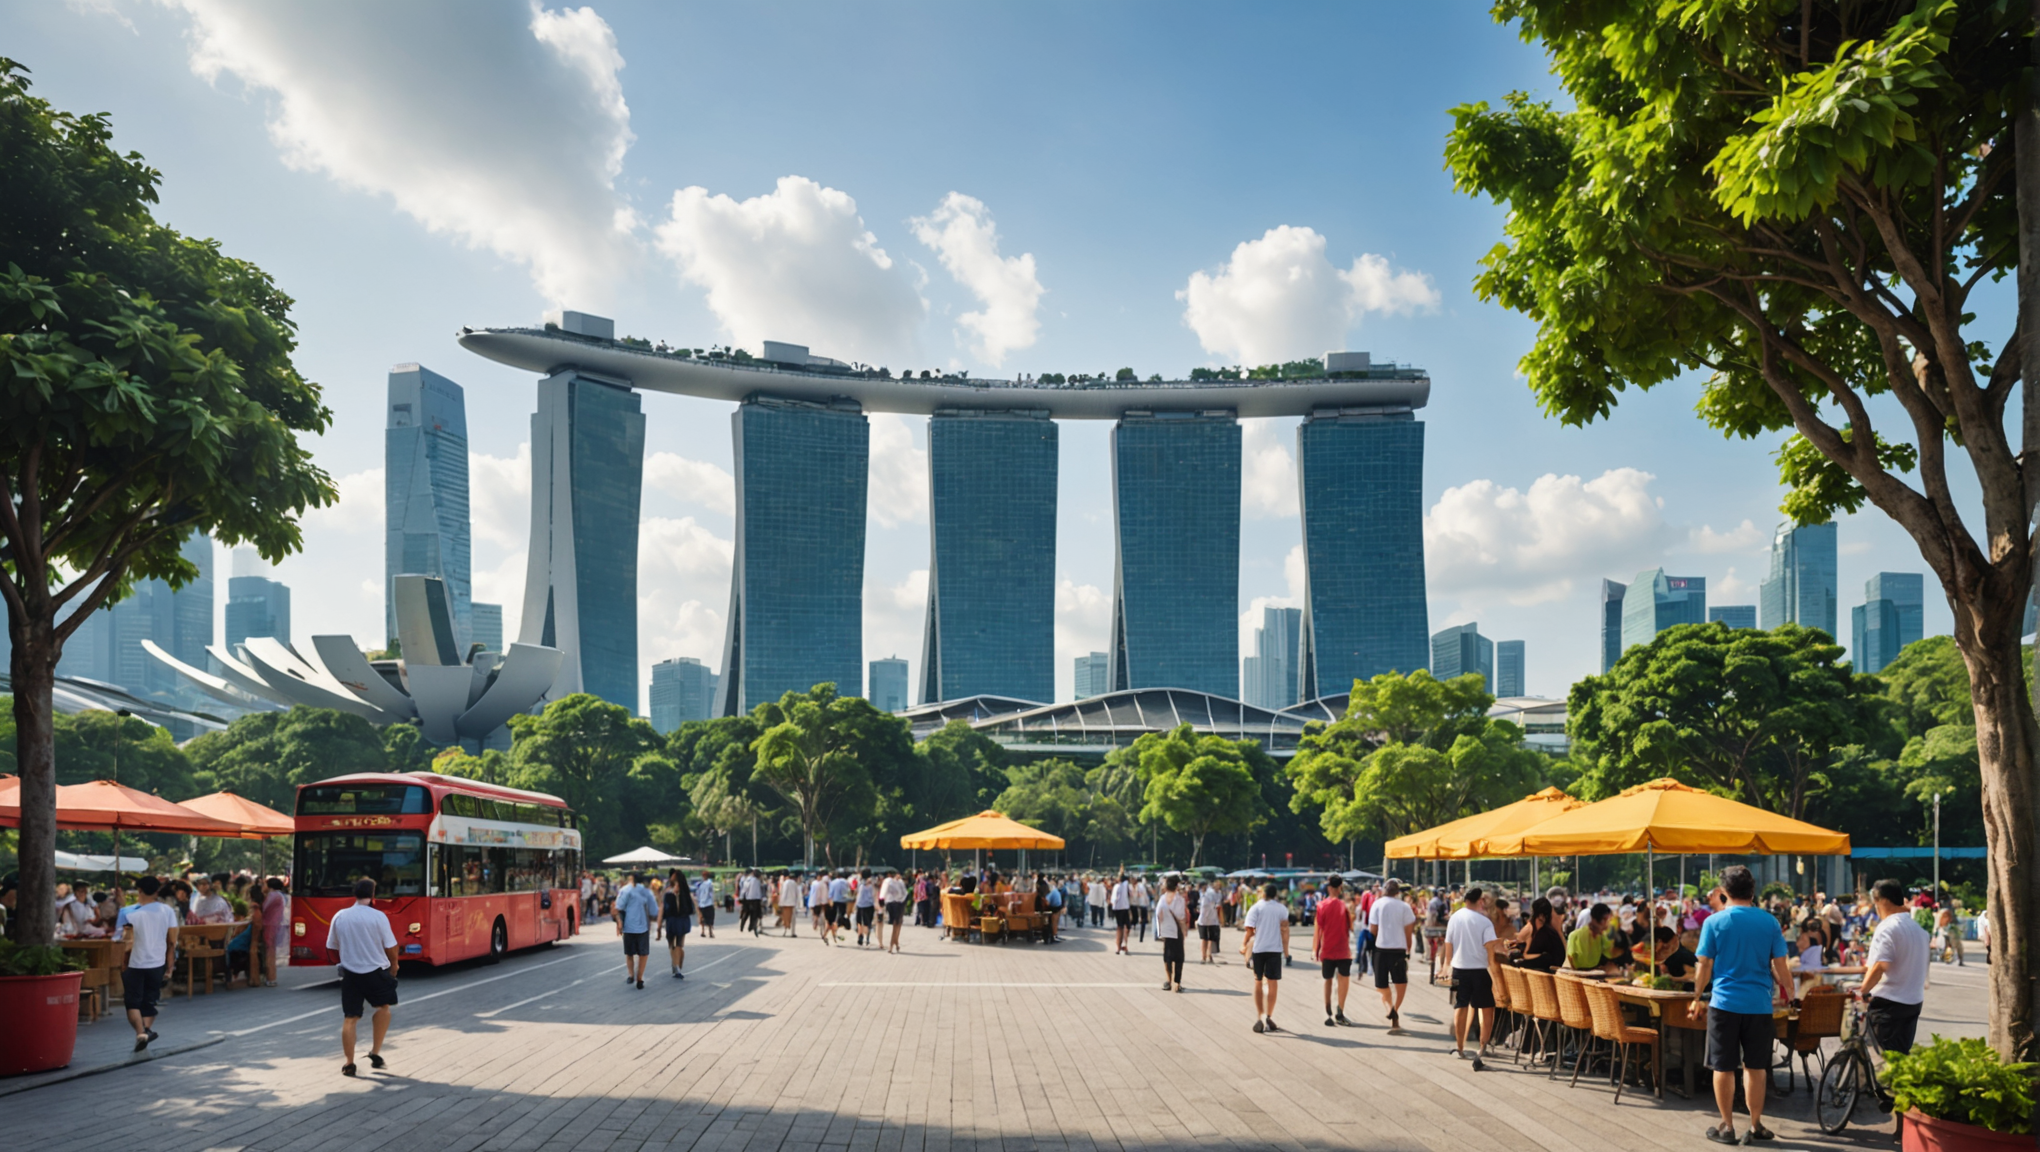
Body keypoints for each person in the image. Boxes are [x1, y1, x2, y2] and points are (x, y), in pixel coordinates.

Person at [1694, 865, 1793, 1145]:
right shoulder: (1770, 922)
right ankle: (1756, 1124)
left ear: (1724, 893)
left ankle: (1726, 1126)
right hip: (1759, 1004)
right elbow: (1781, 966)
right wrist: (1791, 990)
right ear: (1753, 891)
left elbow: (1704, 965)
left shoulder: (1714, 922)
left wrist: (1695, 996)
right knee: (1756, 1067)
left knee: (1723, 1067)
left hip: (1724, 1002)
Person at [328, 877, 400, 1077]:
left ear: (355, 894)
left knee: (350, 1018)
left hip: (351, 974)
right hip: (376, 972)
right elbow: (390, 946)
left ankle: (349, 1063)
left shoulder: (340, 916)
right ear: (373, 894)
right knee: (384, 1008)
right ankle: (375, 1052)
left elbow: (331, 948)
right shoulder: (378, 917)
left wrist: (341, 963)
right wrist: (394, 965)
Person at [1858, 877, 1930, 1070]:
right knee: (1901, 1059)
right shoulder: (1919, 930)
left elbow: (1881, 966)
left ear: (1883, 901)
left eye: (1875, 903)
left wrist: (1863, 990)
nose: (1875, 908)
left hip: (1889, 1003)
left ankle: (1888, 1099)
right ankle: (1900, 1097)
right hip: (1913, 1001)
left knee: (1886, 1062)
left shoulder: (1888, 928)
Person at [1439, 887, 1505, 1069]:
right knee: (1487, 1008)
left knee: (1461, 1005)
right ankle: (1482, 1048)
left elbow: (1448, 943)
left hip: (1459, 968)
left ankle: (1460, 1048)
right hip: (1479, 970)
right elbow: (1490, 949)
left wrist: (1446, 966)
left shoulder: (1455, 917)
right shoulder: (1484, 922)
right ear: (1480, 901)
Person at [121, 875, 179, 1053]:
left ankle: (141, 1033)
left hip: (135, 963)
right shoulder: (167, 911)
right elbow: (172, 942)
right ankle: (145, 1032)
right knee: (149, 1002)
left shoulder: (131, 913)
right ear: (156, 891)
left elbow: (124, 941)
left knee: (132, 1003)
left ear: (139, 891)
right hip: (157, 963)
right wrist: (170, 964)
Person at [1241, 881, 1290, 1034]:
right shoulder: (1282, 909)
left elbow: (1249, 930)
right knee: (1272, 983)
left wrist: (1243, 945)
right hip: (1275, 950)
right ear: (1275, 895)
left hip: (1259, 949)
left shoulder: (1255, 908)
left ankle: (1260, 1016)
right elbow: (1285, 930)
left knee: (1257, 981)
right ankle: (1269, 1016)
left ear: (1263, 893)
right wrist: (1286, 951)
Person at [1368, 879, 1417, 1031]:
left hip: (1381, 948)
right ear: (1398, 892)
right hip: (1398, 949)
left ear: (1384, 890)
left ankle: (1390, 1008)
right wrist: (1408, 947)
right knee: (1401, 983)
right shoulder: (1404, 907)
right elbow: (1409, 931)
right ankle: (1394, 1009)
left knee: (1381, 985)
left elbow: (1373, 930)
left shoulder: (1377, 904)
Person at [1311, 874, 1354, 1027]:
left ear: (1329, 888)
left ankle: (1328, 1010)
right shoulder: (1346, 906)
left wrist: (1315, 950)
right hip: (1343, 949)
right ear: (1340, 888)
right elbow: (1351, 926)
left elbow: (1319, 929)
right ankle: (1340, 1011)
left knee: (1327, 980)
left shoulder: (1321, 906)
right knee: (1343, 979)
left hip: (1327, 949)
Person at [613, 872, 658, 989]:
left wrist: (619, 922)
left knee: (629, 953)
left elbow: (618, 907)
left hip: (630, 927)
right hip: (641, 927)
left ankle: (632, 975)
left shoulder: (625, 890)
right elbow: (653, 910)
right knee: (643, 953)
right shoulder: (645, 891)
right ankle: (639, 978)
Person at [1154, 874, 1188, 993]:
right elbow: (1181, 917)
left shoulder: (1162, 898)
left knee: (1167, 955)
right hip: (1177, 930)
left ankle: (1168, 981)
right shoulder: (1180, 899)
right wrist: (1184, 930)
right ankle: (1177, 983)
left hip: (1166, 930)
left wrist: (1162, 924)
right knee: (1179, 957)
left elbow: (1158, 914)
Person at [659, 869, 695, 980]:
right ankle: (677, 965)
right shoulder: (685, 892)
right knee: (678, 944)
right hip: (681, 920)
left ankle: (676, 966)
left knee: (674, 945)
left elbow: (662, 908)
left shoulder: (668, 892)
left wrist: (659, 925)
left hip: (673, 920)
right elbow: (692, 908)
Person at [1565, 903, 1620, 972]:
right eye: (1604, 920)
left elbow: (1609, 953)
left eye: (1608, 920)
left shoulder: (1602, 937)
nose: (1606, 924)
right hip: (1579, 973)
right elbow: (1570, 958)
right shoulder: (1574, 936)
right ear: (1593, 919)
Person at [1423, 887, 1450, 979]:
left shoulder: (1432, 901)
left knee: (1433, 948)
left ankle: (1432, 962)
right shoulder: (1441, 903)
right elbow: (1440, 917)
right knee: (1443, 946)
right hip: (1438, 928)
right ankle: (1441, 968)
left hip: (1429, 928)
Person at [1196, 878, 1224, 964]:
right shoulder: (1205, 894)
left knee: (1207, 939)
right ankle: (1206, 957)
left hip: (1209, 919)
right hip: (1206, 920)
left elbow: (1214, 906)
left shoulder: (1210, 894)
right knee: (1206, 939)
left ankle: (1207, 956)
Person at [853, 868, 878, 947]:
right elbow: (875, 893)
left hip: (860, 904)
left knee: (859, 921)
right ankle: (867, 938)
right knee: (867, 923)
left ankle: (860, 936)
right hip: (869, 905)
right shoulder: (873, 882)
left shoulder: (859, 883)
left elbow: (856, 892)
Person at [1933, 900, 1963, 966]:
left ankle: (1954, 958)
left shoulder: (1951, 927)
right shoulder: (1939, 926)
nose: (1946, 918)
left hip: (1948, 935)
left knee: (1954, 943)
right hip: (1943, 936)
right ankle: (1944, 956)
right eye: (1945, 917)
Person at [1109, 873, 1132, 955]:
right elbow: (1113, 899)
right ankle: (1119, 946)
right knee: (1120, 927)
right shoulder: (1116, 886)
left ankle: (1123, 944)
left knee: (1127, 927)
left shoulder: (1125, 885)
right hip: (1118, 909)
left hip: (1124, 908)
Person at [693, 872, 717, 939]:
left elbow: (710, 893)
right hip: (705, 903)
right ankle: (704, 932)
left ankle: (709, 932)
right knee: (704, 918)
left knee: (707, 918)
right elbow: (698, 893)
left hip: (706, 903)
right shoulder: (702, 884)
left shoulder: (707, 884)